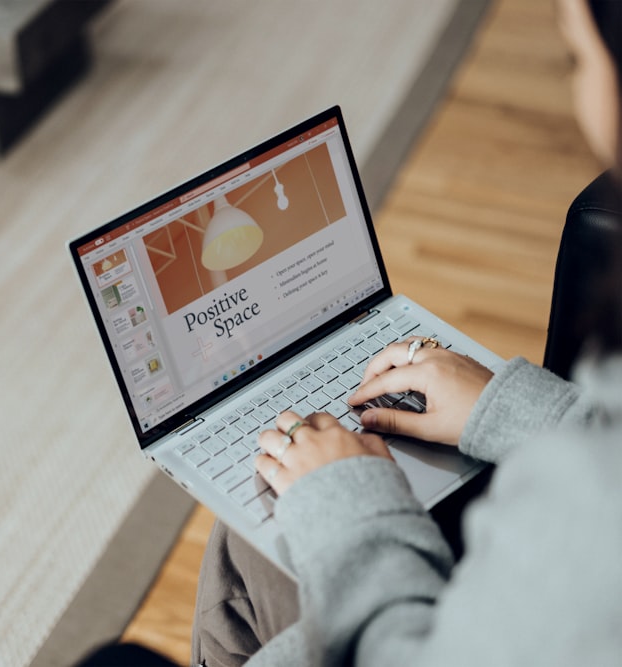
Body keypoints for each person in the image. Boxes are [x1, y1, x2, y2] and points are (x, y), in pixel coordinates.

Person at [191, 0, 622, 665]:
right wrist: (503, 406)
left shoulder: (580, 520)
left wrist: (353, 502)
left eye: (578, 57)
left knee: (259, 519)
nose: (578, 90)